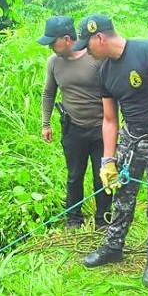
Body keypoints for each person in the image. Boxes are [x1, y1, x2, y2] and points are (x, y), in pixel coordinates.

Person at [72, 14, 148, 287]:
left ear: (100, 38)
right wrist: (107, 160)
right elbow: (110, 119)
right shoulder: (105, 72)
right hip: (131, 137)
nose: (85, 51)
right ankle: (113, 248)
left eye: (86, 45)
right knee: (122, 195)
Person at [38, 15, 112, 230]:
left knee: (103, 177)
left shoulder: (95, 58)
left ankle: (103, 220)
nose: (51, 46)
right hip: (73, 129)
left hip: (101, 129)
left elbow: (113, 91)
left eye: (53, 42)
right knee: (74, 176)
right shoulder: (53, 62)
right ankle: (73, 219)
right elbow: (48, 94)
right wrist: (45, 123)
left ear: (67, 39)